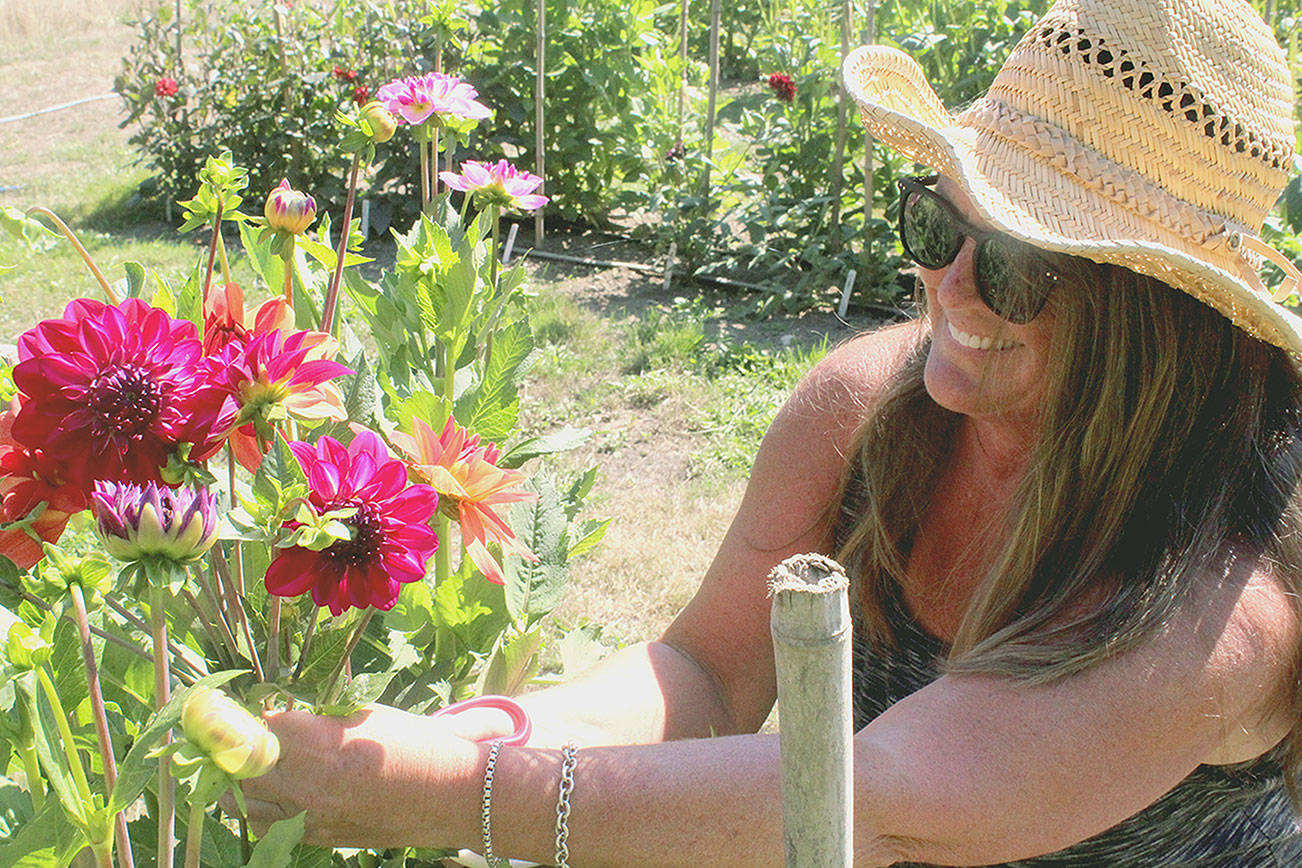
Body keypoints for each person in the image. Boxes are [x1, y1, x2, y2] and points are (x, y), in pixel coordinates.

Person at [239, 0, 1302, 863]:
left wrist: (443, 797)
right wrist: (490, 736)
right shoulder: (874, 415)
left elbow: (878, 802)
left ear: (1157, 329)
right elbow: (706, 671)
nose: (953, 289)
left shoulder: (1222, 594)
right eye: (936, 224)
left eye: (1019, 266)